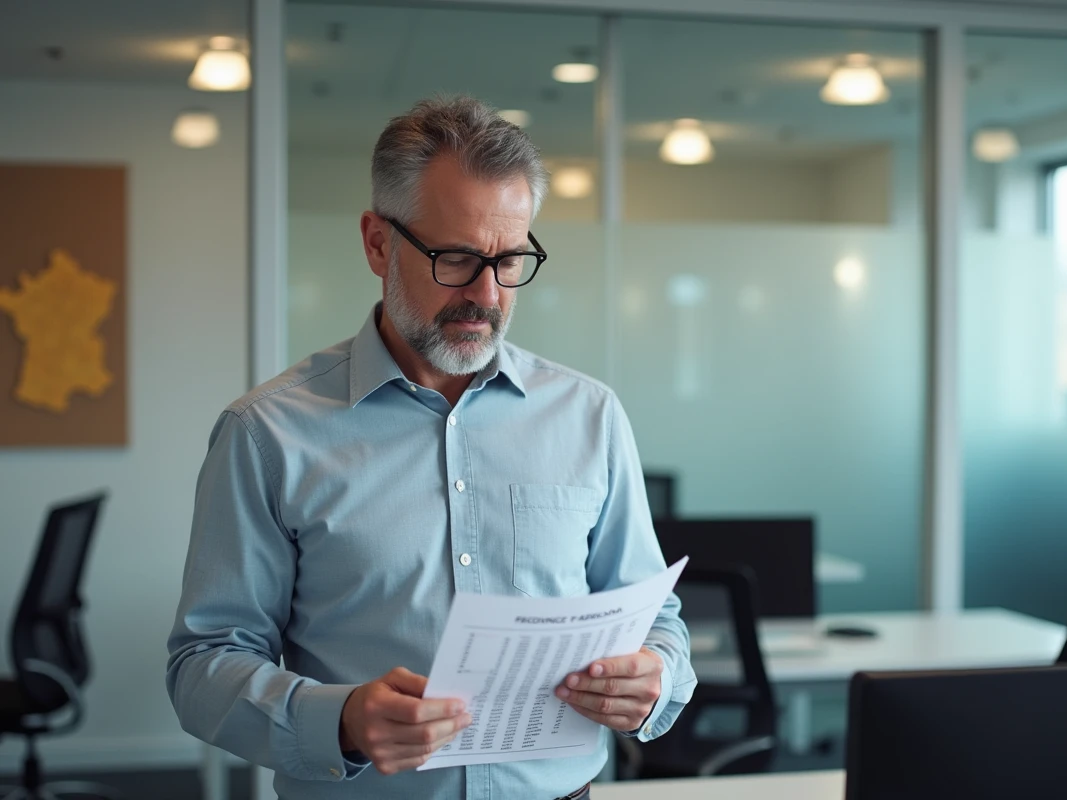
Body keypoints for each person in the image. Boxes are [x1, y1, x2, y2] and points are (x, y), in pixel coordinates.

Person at [166, 96, 694, 800]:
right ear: (378, 243)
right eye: (456, 258)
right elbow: (203, 665)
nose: (486, 294)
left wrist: (654, 678)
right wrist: (342, 719)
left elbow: (654, 618)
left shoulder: (589, 415)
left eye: (510, 260)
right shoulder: (267, 433)